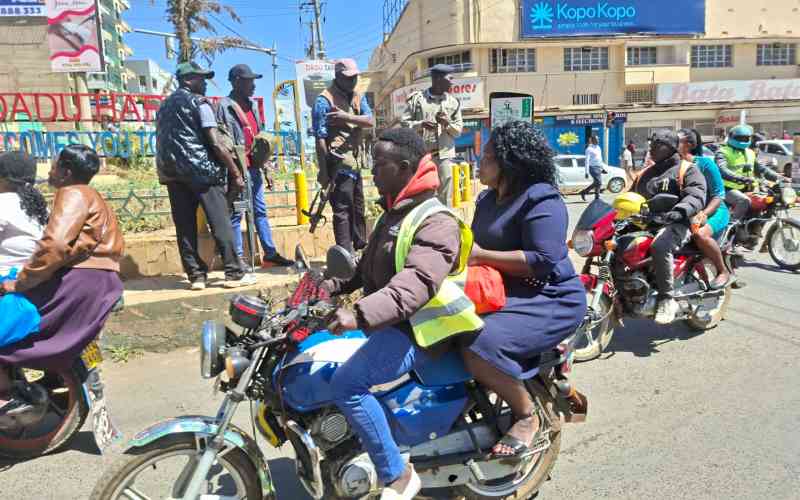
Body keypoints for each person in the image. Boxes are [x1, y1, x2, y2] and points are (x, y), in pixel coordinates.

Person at [323, 128, 482, 499]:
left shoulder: (437, 220)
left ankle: (397, 474)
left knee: (347, 384)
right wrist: (328, 287)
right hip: (396, 319)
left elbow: (417, 282)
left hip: (423, 329)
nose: (372, 171)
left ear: (406, 167)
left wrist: (358, 313)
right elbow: (366, 268)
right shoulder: (396, 213)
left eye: (380, 164)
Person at [460, 121, 586, 457]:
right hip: (504, 290)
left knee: (478, 340)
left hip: (549, 296)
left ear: (509, 163)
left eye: (487, 157)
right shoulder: (488, 200)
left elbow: (543, 259)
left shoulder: (542, 199)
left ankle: (526, 415)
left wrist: (481, 256)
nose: (479, 162)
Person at [0, 145, 124, 426]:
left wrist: (20, 283)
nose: (50, 171)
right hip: (96, 279)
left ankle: (8, 397)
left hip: (81, 279)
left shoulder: (73, 193)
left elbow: (54, 246)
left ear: (66, 173)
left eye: (54, 166)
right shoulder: (85, 196)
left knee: (15, 327)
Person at [156, 62, 255, 290]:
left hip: (172, 174)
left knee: (185, 226)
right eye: (201, 79)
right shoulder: (200, 103)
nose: (205, 83)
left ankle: (196, 276)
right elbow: (216, 143)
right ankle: (234, 272)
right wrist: (235, 173)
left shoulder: (163, 107)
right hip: (202, 171)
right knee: (220, 221)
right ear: (188, 80)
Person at [215, 64, 293, 269]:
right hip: (237, 170)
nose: (254, 85)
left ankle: (270, 254)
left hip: (254, 169)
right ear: (237, 82)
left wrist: (267, 169)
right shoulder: (224, 106)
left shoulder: (252, 106)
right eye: (249, 81)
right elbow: (221, 141)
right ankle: (238, 258)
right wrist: (233, 172)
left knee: (260, 211)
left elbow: (259, 139)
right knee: (237, 212)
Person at [632, 130, 707, 324]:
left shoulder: (686, 169)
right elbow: (630, 197)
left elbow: (696, 195)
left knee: (660, 246)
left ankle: (667, 298)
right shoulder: (645, 174)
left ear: (671, 147)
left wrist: (680, 210)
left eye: (657, 145)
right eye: (651, 145)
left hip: (677, 222)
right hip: (645, 222)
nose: (651, 149)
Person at [312, 58, 374, 253]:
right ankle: (345, 255)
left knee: (358, 209)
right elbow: (320, 139)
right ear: (337, 77)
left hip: (355, 163)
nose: (352, 81)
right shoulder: (323, 101)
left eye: (354, 77)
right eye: (348, 78)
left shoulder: (357, 97)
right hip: (338, 165)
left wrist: (346, 117)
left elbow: (369, 120)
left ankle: (361, 249)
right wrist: (324, 171)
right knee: (342, 211)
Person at [0, 152, 48, 349]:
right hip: (35, 278)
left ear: (3, 178)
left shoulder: (3, 203)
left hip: (8, 281)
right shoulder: (37, 205)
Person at [402, 64, 463, 206]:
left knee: (445, 197)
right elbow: (404, 125)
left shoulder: (453, 102)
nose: (452, 82)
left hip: (444, 157)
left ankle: (443, 219)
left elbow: (458, 131)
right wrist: (420, 124)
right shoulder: (417, 100)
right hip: (422, 157)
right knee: (422, 194)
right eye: (449, 78)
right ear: (438, 79)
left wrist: (447, 123)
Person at [678, 129, 731, 289]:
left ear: (689, 145)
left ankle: (722, 271)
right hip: (688, 212)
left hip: (714, 210)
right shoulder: (672, 165)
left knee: (699, 234)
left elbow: (719, 195)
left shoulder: (705, 164)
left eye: (677, 141)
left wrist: (704, 214)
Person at [715, 124, 782, 222]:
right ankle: (730, 225)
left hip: (749, 188)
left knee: (769, 199)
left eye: (746, 138)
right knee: (743, 200)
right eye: (740, 138)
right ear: (732, 137)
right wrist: (740, 178)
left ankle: (756, 224)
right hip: (727, 189)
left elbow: (761, 169)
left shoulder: (750, 152)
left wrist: (778, 177)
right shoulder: (722, 152)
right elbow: (722, 170)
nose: (743, 140)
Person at [579, 135, 604, 201]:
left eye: (598, 139)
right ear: (592, 140)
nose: (598, 141)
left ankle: (585, 193)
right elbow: (587, 161)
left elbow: (600, 158)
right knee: (599, 182)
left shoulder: (598, 147)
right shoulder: (589, 149)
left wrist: (602, 168)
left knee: (597, 183)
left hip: (598, 167)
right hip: (592, 167)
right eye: (596, 139)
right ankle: (597, 197)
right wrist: (586, 172)